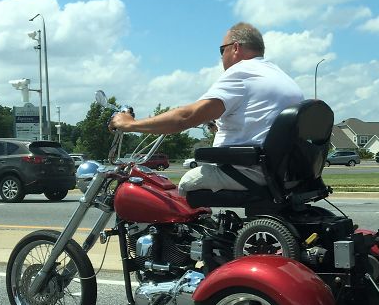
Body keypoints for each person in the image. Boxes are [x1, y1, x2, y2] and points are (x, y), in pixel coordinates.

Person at [108, 22, 304, 198]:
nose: (221, 57)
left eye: (221, 50)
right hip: (288, 172)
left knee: (184, 185)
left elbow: (185, 118)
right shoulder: (279, 75)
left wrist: (129, 124)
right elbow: (260, 123)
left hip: (249, 171)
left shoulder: (242, 72)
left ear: (235, 47)